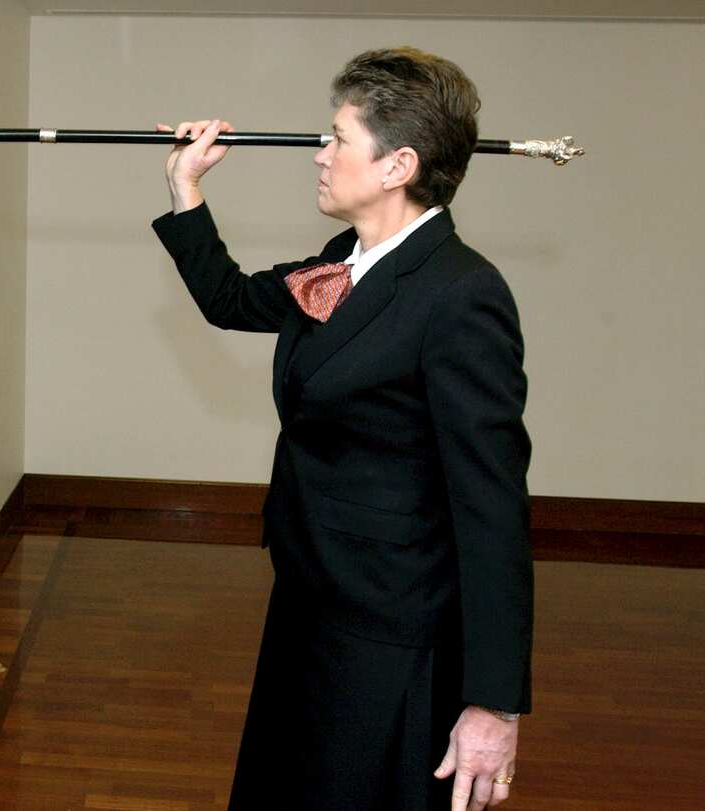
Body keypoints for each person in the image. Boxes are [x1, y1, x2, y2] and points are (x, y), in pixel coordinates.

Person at [151, 47, 532, 811]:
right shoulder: (343, 262)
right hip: (310, 595)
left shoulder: (462, 295)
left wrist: (494, 704)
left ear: (397, 166)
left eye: (335, 137)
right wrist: (184, 185)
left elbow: (491, 508)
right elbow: (231, 299)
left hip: (393, 630)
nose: (318, 155)